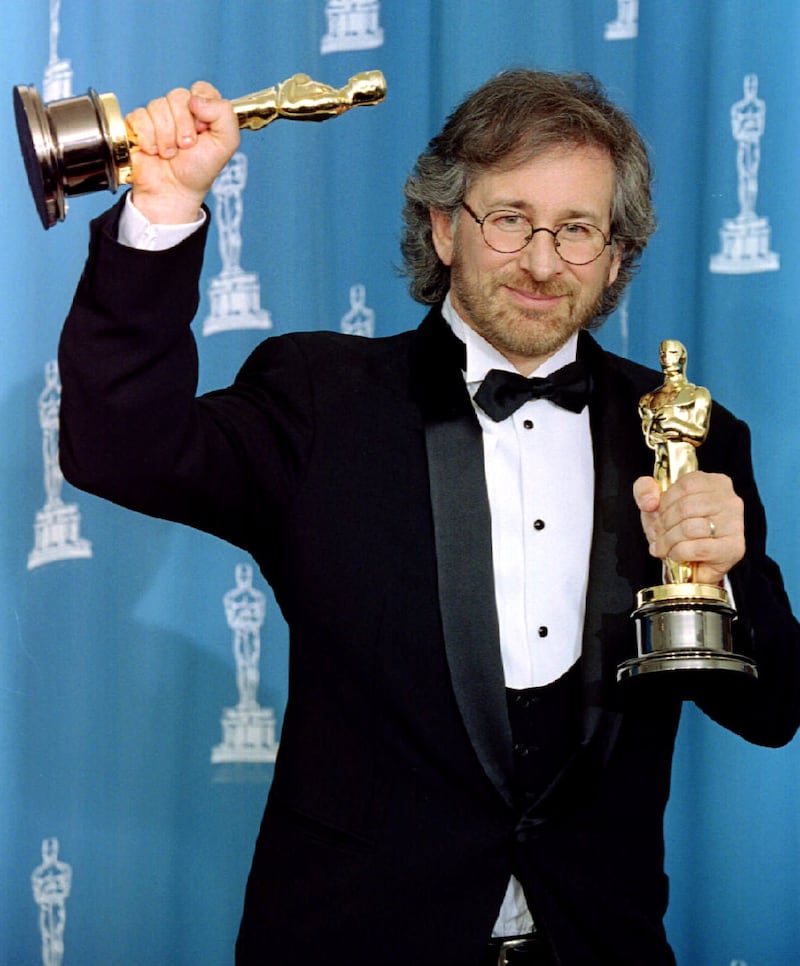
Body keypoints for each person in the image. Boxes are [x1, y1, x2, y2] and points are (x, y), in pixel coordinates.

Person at [57, 70, 800, 966]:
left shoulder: (685, 428)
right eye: (509, 219)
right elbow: (118, 448)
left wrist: (728, 575)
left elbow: (774, 709)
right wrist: (166, 206)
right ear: (445, 227)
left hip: (600, 946)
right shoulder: (318, 401)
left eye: (576, 230)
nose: (540, 261)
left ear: (615, 255)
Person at [638, 339, 711, 584]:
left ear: (682, 357)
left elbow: (698, 432)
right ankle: (673, 580)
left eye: (671, 353)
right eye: (663, 353)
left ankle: (687, 582)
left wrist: (670, 424)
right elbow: (649, 436)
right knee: (661, 517)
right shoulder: (649, 399)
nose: (666, 358)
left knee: (683, 517)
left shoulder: (696, 394)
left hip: (683, 459)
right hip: (662, 460)